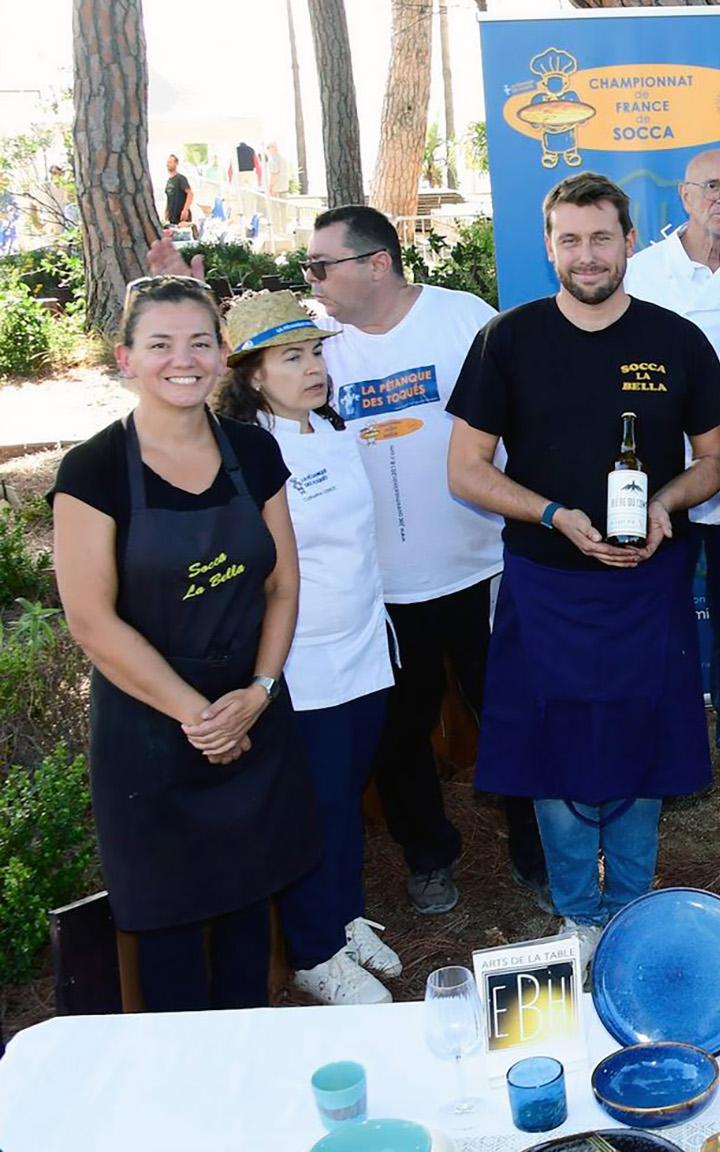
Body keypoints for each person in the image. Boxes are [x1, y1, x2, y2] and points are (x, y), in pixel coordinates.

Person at [144, 206, 545, 915]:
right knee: (398, 737)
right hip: (379, 599)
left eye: (321, 267)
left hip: (480, 566)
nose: (312, 281)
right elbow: (244, 370)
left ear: (377, 264)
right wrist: (180, 302)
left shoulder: (465, 320)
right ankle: (429, 858)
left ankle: (535, 853)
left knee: (510, 716)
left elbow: (524, 424)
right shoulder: (320, 344)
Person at [447, 173, 720, 961]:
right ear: (548, 247)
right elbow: (465, 469)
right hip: (547, 580)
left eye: (601, 237)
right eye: (569, 239)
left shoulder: (677, 340)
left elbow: (716, 461)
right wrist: (552, 515)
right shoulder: (508, 339)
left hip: (648, 582)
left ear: (630, 241)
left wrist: (668, 505)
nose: (587, 254)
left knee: (643, 740)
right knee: (552, 747)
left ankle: (632, 907)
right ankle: (577, 913)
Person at [50, 276, 318, 1011]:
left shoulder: (252, 454)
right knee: (168, 945)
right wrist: (200, 717)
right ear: (125, 358)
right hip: (151, 739)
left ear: (222, 353)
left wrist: (258, 693)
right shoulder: (94, 470)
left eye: (200, 342)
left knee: (245, 927)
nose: (184, 359)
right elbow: (92, 621)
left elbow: (283, 586)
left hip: (251, 715)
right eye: (160, 344)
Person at [213, 291, 400, 1005]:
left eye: (316, 352)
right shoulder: (249, 452)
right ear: (254, 374)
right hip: (303, 659)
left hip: (363, 645)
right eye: (291, 358)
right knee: (315, 803)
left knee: (347, 793)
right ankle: (314, 952)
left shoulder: (329, 426)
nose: (313, 368)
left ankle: (345, 916)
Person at [623, 147, 720, 796]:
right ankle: (669, 751)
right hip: (665, 481)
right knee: (661, 618)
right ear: (684, 196)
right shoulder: (640, 273)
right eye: (711, 187)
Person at [163, 154, 192, 231]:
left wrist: (185, 210)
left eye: (170, 162)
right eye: (167, 162)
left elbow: (190, 193)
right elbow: (169, 197)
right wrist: (167, 211)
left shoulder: (181, 179)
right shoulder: (169, 181)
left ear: (176, 164)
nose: (168, 164)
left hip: (181, 215)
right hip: (172, 215)